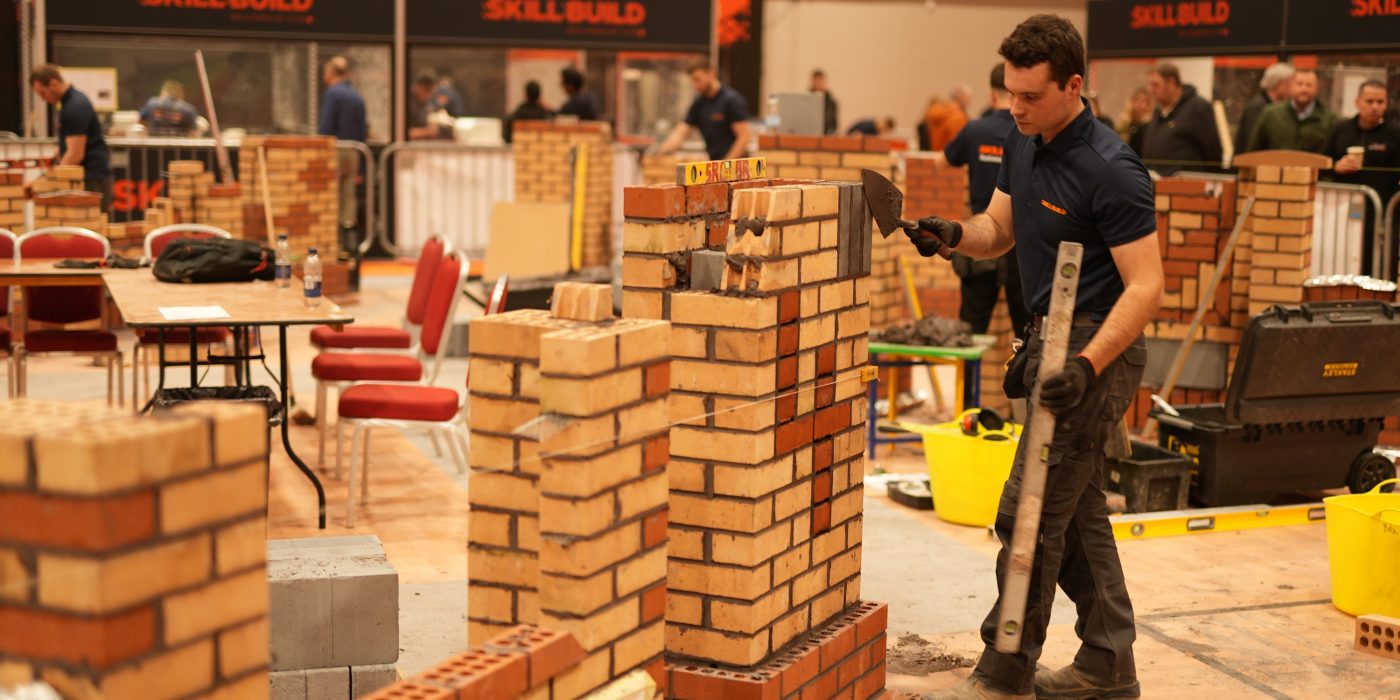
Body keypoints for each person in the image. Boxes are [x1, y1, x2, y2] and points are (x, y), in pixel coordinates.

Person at [910, 14, 1159, 700]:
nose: (1013, 108)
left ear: (1074, 85)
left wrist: (1088, 365)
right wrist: (954, 235)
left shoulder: (1113, 169)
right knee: (1074, 512)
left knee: (1030, 507)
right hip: (1049, 334)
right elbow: (999, 230)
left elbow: (1148, 285)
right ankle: (1109, 662)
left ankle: (1006, 665)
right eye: (1010, 94)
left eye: (1030, 96)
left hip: (1097, 343)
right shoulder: (1022, 141)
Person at [942, 63, 1030, 343]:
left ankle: (967, 387)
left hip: (980, 238)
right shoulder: (1028, 134)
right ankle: (1024, 388)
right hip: (1020, 244)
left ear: (992, 94)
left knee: (970, 330)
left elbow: (943, 161)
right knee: (1027, 334)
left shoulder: (975, 130)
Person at [1325, 81, 1400, 272]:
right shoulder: (1341, 129)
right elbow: (1322, 162)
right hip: (1342, 215)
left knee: (1378, 266)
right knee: (1342, 263)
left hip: (1383, 216)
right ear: (1357, 102)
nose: (1375, 107)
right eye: (1370, 101)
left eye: (1380, 102)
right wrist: (1336, 167)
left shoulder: (1394, 134)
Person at [29, 64, 113, 212]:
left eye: (43, 93)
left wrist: (51, 182)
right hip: (87, 177)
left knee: (89, 230)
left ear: (53, 83)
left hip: (90, 179)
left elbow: (75, 154)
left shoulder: (75, 106)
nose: (43, 99)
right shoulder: (69, 104)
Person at [318, 56, 368, 250]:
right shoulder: (357, 96)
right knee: (349, 197)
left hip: (336, 150)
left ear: (331, 73)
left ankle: (334, 242)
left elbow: (326, 125)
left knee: (332, 195)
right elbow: (363, 129)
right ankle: (350, 243)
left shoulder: (332, 94)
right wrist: (361, 169)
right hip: (354, 150)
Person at [657, 62, 751, 162]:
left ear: (711, 74)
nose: (695, 85)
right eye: (693, 81)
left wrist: (726, 164)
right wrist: (660, 152)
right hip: (715, 164)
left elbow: (744, 137)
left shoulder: (731, 100)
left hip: (737, 165)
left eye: (698, 79)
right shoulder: (698, 104)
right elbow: (680, 133)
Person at [1139, 62, 1222, 175]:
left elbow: (1213, 153)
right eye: (1150, 85)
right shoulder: (1157, 111)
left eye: (1155, 85)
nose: (1151, 90)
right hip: (1155, 184)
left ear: (1171, 82)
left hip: (1186, 186)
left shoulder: (1197, 107)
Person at [1247, 68, 1335, 154]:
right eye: (1299, 84)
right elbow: (1254, 150)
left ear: (1317, 88)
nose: (1304, 89)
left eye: (1309, 85)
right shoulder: (1271, 114)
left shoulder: (1329, 120)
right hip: (1273, 168)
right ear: (1290, 86)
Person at [1235, 62, 1294, 154]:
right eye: (1290, 83)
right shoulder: (1257, 107)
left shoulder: (1275, 106)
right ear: (1279, 84)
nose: (1293, 89)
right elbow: (1252, 142)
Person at [409, 71, 460, 141]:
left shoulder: (423, 101)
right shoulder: (407, 103)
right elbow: (403, 133)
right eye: (428, 91)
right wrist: (427, 132)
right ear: (421, 87)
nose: (430, 95)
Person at [1115, 87, 1152, 157]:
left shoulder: (1148, 127)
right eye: (1137, 99)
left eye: (1144, 101)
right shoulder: (1124, 124)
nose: (1139, 103)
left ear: (1149, 105)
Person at [811, 69, 839, 135]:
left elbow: (834, 124)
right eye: (816, 80)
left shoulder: (831, 103)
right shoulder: (805, 101)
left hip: (826, 136)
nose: (818, 83)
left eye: (820, 80)